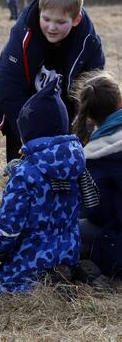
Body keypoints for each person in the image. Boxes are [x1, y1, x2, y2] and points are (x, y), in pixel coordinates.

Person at [0, 0, 105, 162]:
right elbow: (9, 87)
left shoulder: (90, 44)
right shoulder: (21, 34)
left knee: (67, 171)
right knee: (25, 173)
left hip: (66, 111)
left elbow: (89, 96)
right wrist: (27, 136)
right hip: (24, 106)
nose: (52, 27)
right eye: (46, 19)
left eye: (60, 22)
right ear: (39, 12)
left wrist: (76, 137)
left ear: (76, 20)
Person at [0, 78, 86, 293]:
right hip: (69, 252)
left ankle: (37, 284)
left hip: (30, 256)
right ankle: (60, 275)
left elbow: (8, 227)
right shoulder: (77, 164)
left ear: (29, 132)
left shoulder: (25, 175)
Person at [71, 71, 122, 279]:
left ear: (90, 115)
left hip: (115, 236)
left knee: (68, 231)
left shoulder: (93, 158)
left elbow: (97, 213)